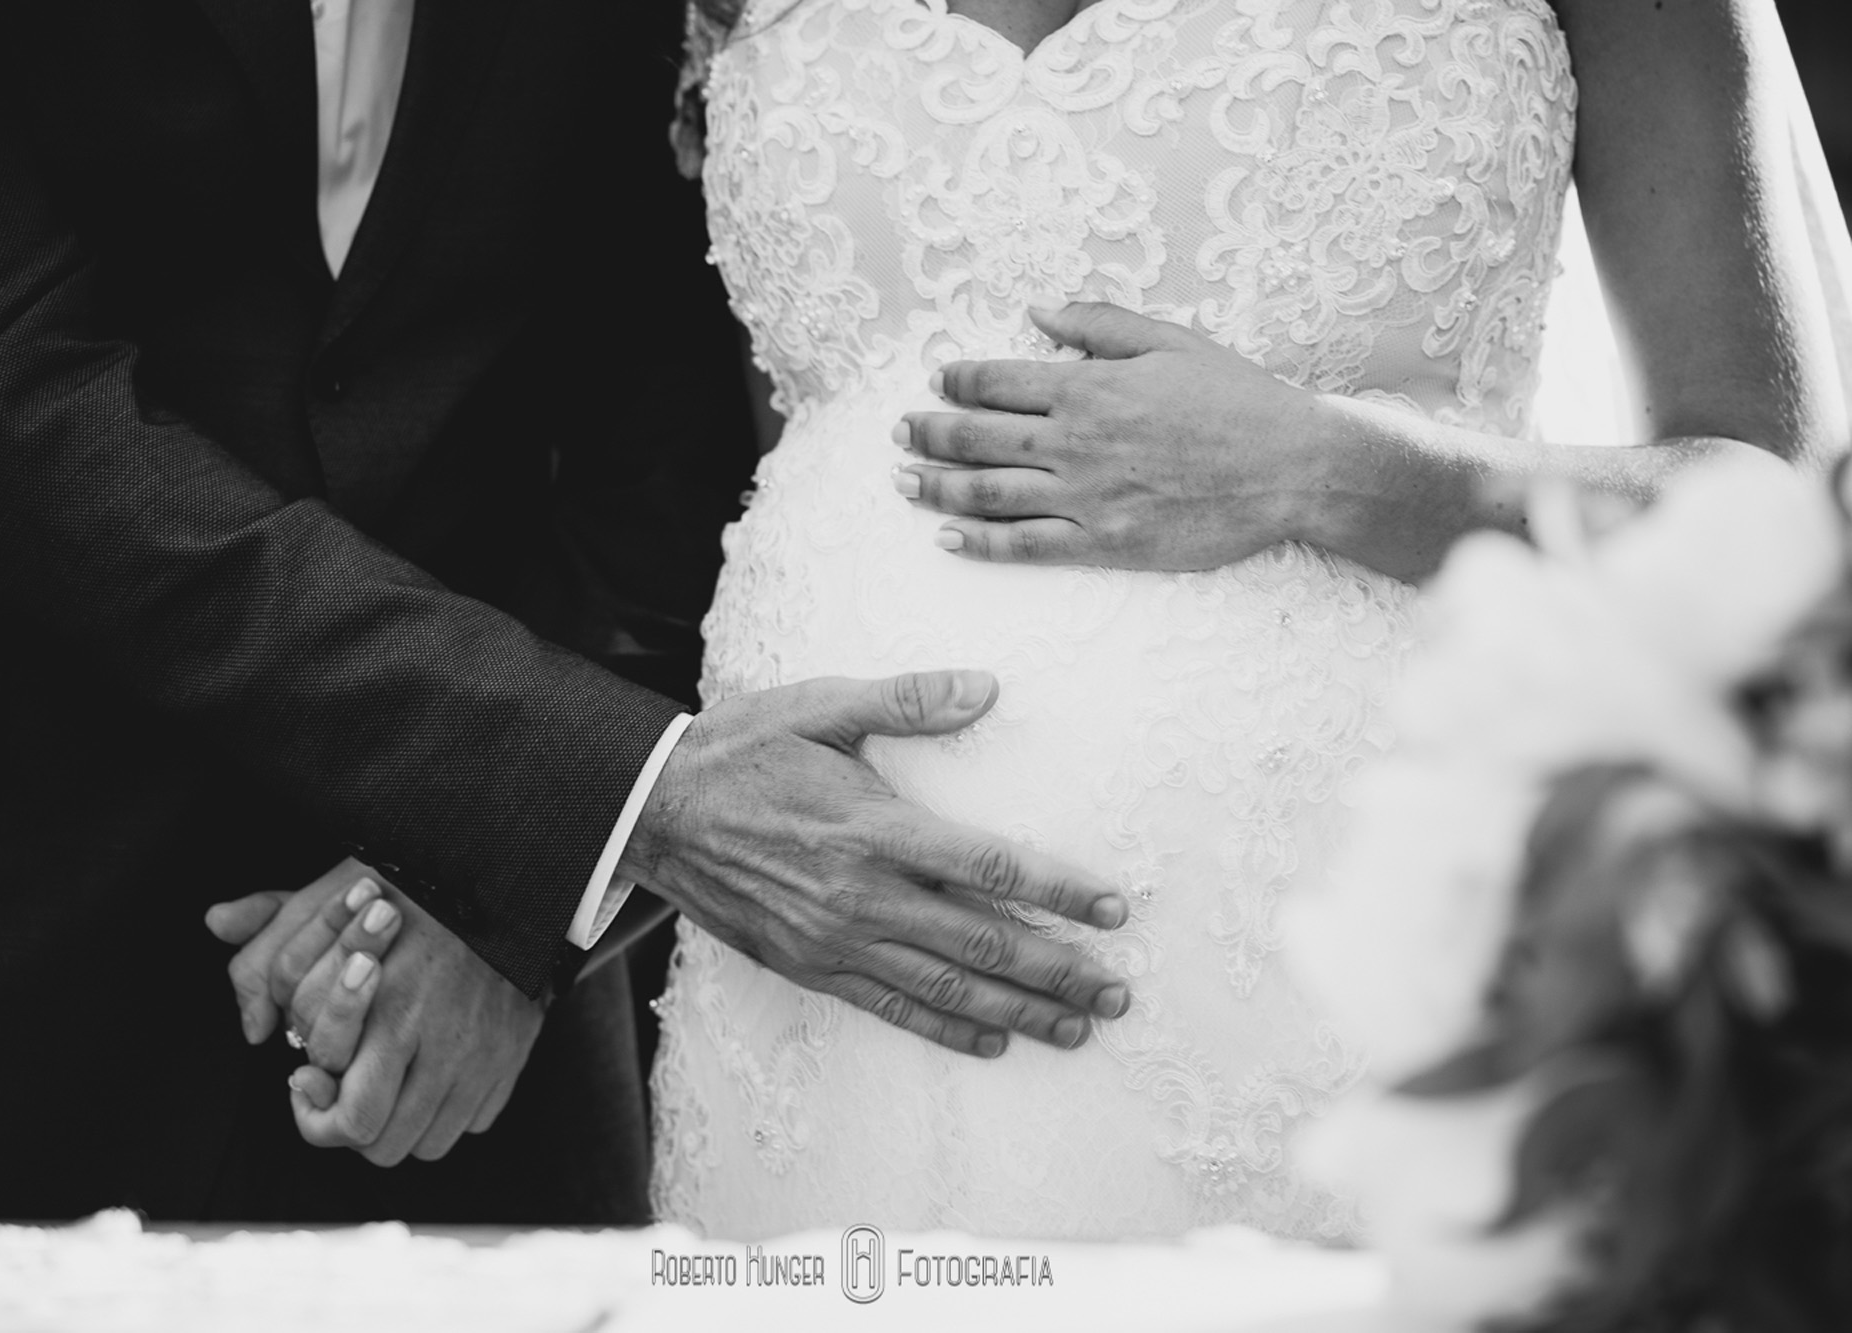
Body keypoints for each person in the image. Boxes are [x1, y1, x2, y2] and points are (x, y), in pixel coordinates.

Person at [229, 0, 1852, 1242]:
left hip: (1350, 972)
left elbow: (1784, 511)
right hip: (817, 1000)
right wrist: (532, 864)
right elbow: (715, 512)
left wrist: (1341, 471)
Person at [0, 0, 1131, 1225]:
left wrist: (503, 893)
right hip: (14, 935)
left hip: (474, 1012)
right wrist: (605, 801)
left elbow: (661, 419)